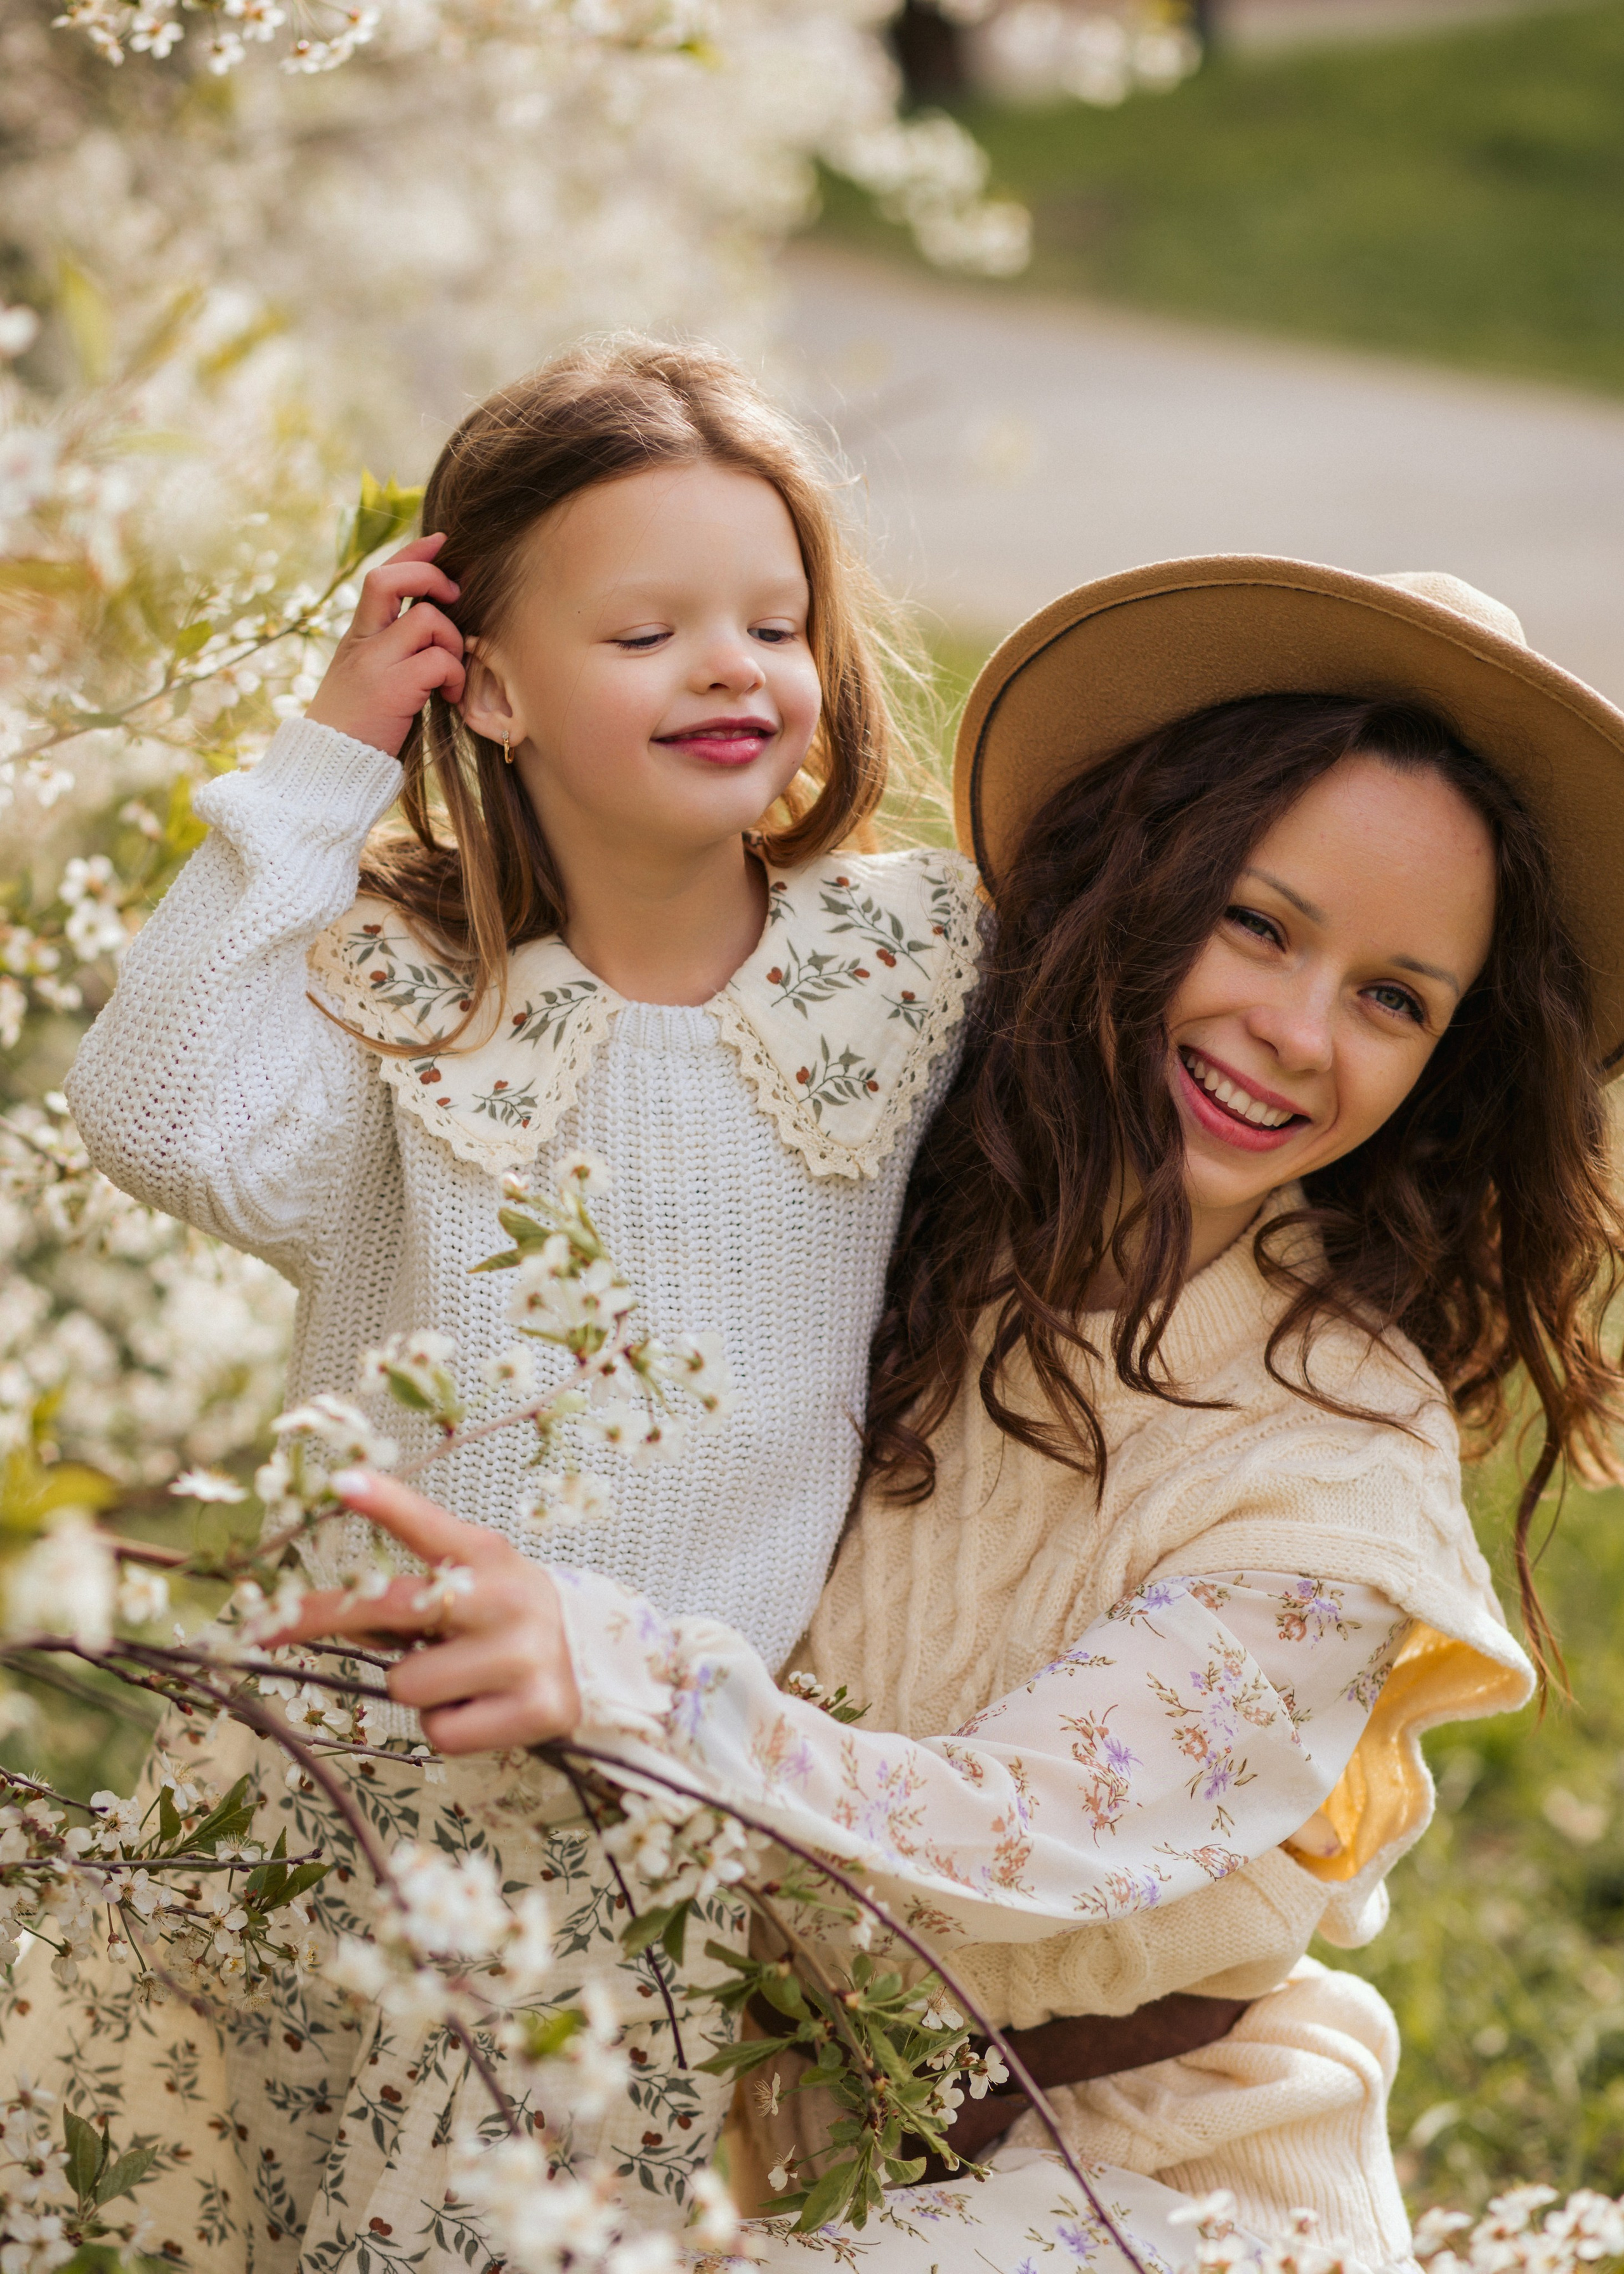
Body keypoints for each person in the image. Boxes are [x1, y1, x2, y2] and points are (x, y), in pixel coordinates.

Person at [284, 558, 1624, 2268]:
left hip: (1164, 2203)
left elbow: (1017, 1830)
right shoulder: (899, 1199)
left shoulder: (1340, 1481)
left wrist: (631, 1677)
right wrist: (362, 752)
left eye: (1394, 999)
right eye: (1257, 921)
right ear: (1138, 884)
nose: (1295, 1033)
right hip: (808, 2167)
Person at [4, 341, 981, 2270]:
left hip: (656, 1800)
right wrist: (325, 757)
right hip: (347, 1779)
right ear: (498, 687)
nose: (731, 667)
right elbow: (158, 1114)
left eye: (774, 623)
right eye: (648, 631)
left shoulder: (905, 959)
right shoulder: (414, 994)